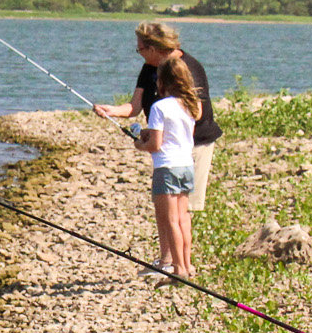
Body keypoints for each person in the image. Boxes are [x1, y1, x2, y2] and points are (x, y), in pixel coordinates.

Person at [93, 21, 219, 218]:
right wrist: (112, 111)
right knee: (168, 209)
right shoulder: (148, 68)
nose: (139, 52)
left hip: (195, 144)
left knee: (184, 211)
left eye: (140, 48)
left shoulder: (188, 67)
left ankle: (180, 249)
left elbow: (197, 112)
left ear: (153, 48)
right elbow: (135, 106)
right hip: (166, 148)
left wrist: (156, 133)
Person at [126, 57, 200, 280]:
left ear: (162, 82)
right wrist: (151, 134)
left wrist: (140, 144)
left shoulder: (159, 107)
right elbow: (176, 134)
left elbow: (155, 145)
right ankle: (187, 265)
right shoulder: (192, 105)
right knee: (183, 218)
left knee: (170, 221)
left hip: (166, 168)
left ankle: (178, 270)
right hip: (186, 165)